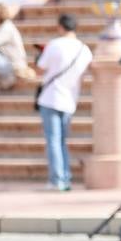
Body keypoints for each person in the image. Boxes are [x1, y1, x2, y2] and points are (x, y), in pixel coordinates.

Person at [36, 14, 92, 192]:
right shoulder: (85, 50)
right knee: (61, 141)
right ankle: (65, 178)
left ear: (60, 27)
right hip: (70, 99)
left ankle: (57, 179)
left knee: (53, 140)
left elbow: (40, 68)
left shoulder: (54, 45)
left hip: (51, 97)